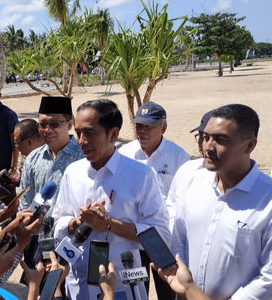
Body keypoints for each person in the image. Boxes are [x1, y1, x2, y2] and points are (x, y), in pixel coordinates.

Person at [52, 99, 170, 300]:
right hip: (78, 285)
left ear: (113, 134)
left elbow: (161, 234)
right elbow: (58, 223)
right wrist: (78, 223)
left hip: (124, 286)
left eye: (90, 133)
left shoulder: (141, 175)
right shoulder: (73, 173)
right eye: (78, 133)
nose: (81, 140)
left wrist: (109, 225)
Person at [171, 104, 272, 299]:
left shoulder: (267, 200)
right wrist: (185, 291)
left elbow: (268, 279)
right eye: (205, 137)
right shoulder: (192, 182)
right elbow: (180, 241)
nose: (208, 147)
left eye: (220, 139)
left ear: (250, 145)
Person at [118, 101, 189, 299]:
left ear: (163, 128)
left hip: (163, 240)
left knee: (167, 290)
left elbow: (183, 201)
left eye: (148, 127)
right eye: (139, 126)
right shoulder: (124, 154)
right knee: (135, 289)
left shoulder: (179, 157)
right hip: (132, 236)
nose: (142, 132)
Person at [19, 97, 84, 219]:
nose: (47, 130)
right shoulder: (33, 158)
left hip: (70, 233)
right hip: (37, 234)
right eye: (42, 125)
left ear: (70, 124)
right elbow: (25, 202)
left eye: (54, 124)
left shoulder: (83, 157)